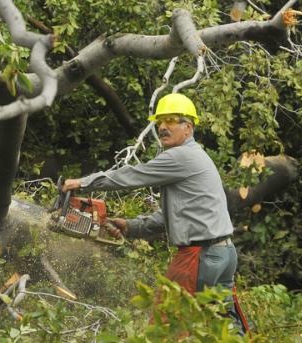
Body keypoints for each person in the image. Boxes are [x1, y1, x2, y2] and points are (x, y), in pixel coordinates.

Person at [63, 93, 241, 322]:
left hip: (200, 255)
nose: (163, 127)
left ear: (188, 127)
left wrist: (83, 182)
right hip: (224, 253)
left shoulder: (180, 157)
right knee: (223, 326)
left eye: (170, 121)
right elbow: (172, 216)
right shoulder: (194, 156)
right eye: (160, 122)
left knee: (168, 326)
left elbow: (132, 176)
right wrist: (131, 226)